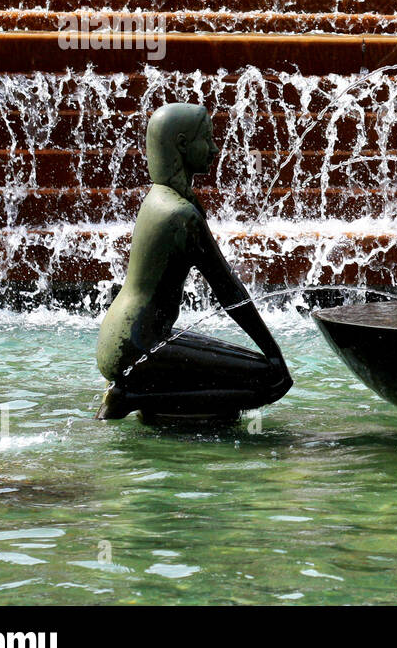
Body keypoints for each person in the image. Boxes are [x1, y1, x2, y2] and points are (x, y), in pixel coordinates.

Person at [95, 103, 291, 423]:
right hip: (138, 348)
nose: (215, 148)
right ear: (183, 145)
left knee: (246, 370)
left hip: (124, 340)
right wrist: (274, 354)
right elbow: (228, 290)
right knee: (271, 379)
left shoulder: (159, 198)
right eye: (207, 138)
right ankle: (131, 396)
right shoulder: (180, 215)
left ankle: (137, 390)